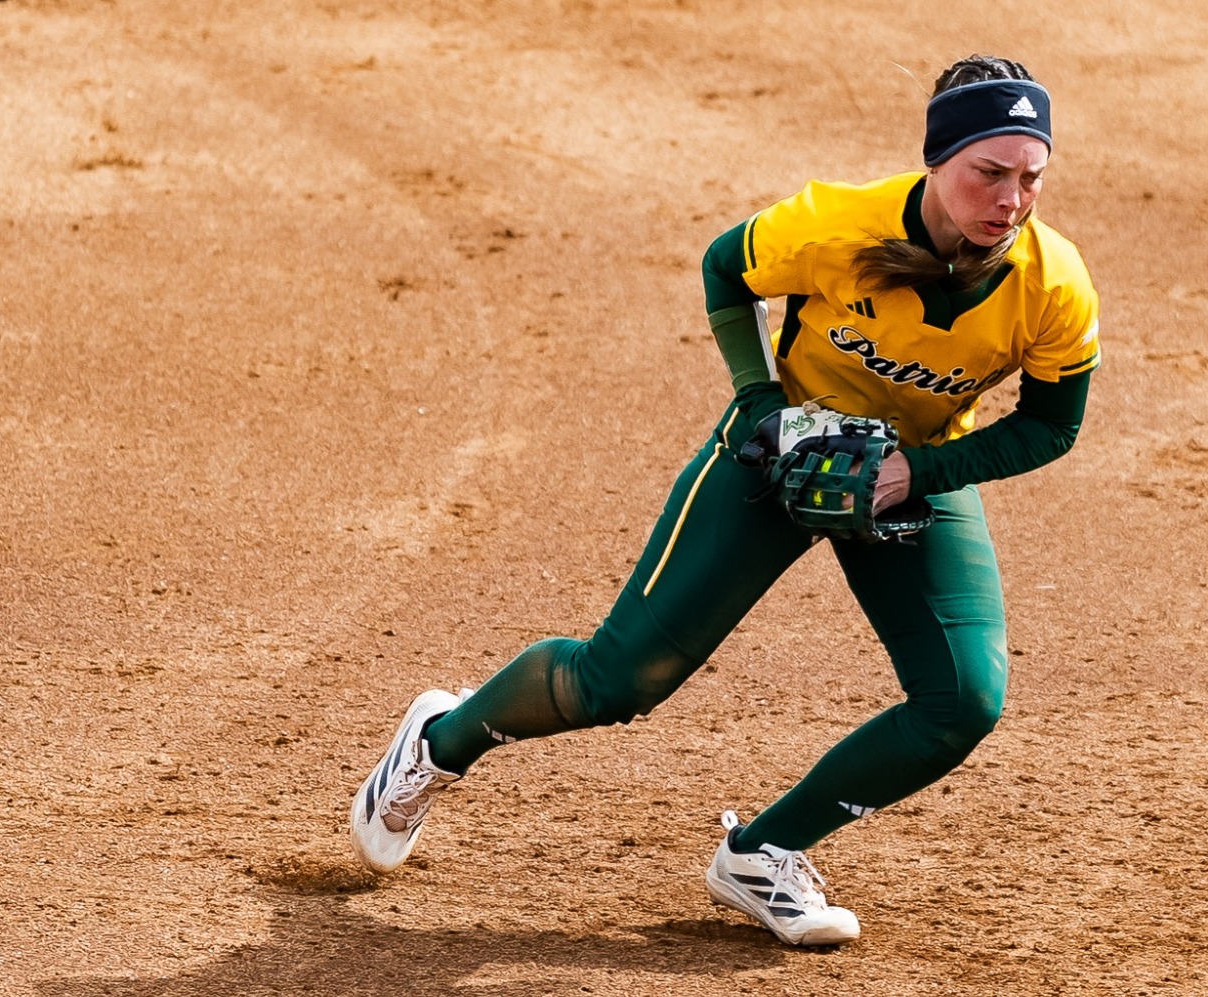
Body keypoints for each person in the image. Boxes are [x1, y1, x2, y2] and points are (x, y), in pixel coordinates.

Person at [349, 54, 1101, 947]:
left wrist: (914, 472)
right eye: (990, 172)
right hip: (774, 462)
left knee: (963, 700)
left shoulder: (1053, 284)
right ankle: (441, 739)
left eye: (1031, 178)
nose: (1011, 200)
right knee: (617, 681)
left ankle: (763, 853)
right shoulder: (837, 223)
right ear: (938, 158)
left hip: (911, 476)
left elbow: (1051, 425)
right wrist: (760, 405)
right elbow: (724, 269)